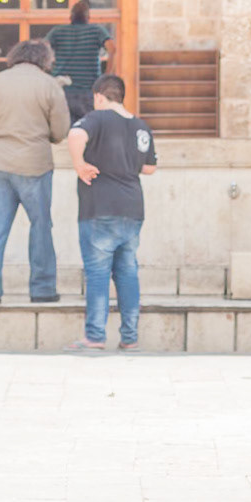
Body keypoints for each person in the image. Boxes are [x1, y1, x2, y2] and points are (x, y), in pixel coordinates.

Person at [0, 39, 70, 307]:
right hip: (35, 165)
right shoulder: (49, 85)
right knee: (41, 227)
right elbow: (61, 130)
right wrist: (45, 137)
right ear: (44, 60)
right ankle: (42, 289)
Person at [65, 74, 156, 352]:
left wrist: (79, 163)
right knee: (128, 272)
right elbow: (149, 168)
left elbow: (75, 134)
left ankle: (95, 336)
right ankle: (129, 337)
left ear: (99, 96)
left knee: (98, 273)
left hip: (99, 208)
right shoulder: (141, 126)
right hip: (132, 208)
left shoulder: (97, 117)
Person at [46, 0, 114, 122]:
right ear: (88, 17)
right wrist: (106, 76)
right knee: (87, 130)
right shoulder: (97, 30)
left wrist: (48, 71)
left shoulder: (58, 31)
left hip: (63, 90)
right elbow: (112, 49)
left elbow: (43, 48)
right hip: (88, 89)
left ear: (70, 17)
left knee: (63, 131)